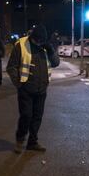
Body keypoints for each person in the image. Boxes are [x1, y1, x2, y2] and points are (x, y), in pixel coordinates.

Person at [6, 25, 60, 154]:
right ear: (32, 37)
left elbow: (55, 63)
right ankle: (20, 140)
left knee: (37, 117)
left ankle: (32, 142)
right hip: (26, 89)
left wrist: (51, 51)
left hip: (41, 89)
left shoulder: (45, 46)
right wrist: (19, 84)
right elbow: (11, 67)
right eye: (37, 41)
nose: (39, 43)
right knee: (26, 116)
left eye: (41, 41)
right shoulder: (21, 45)